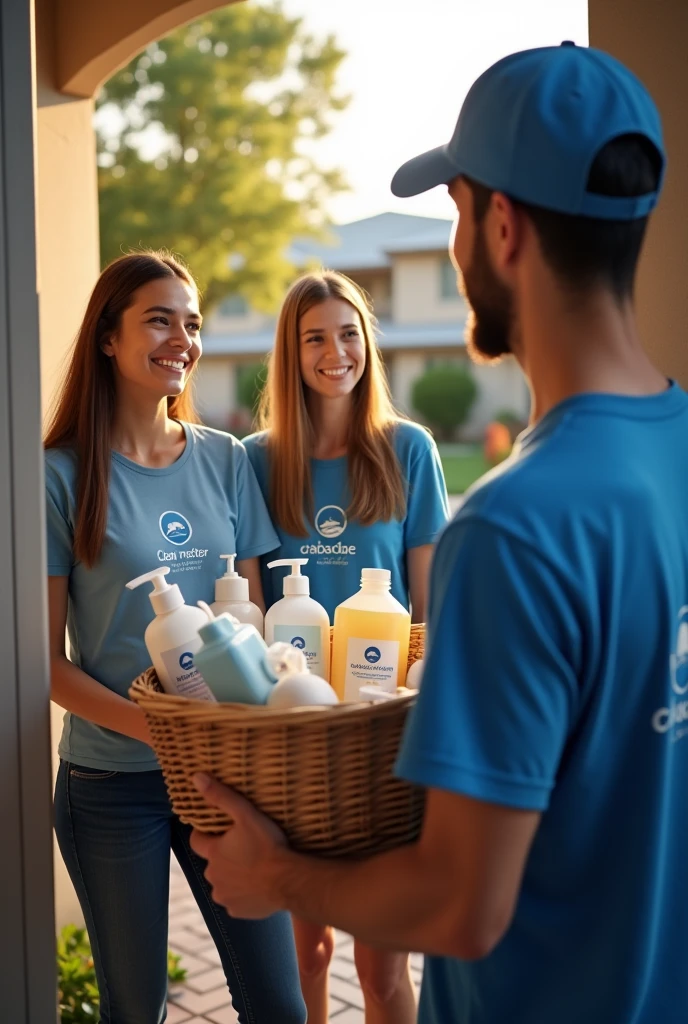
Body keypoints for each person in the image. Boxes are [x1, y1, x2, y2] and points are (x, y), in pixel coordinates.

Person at [190, 42, 688, 1024]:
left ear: (499, 227)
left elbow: (460, 905)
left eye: (455, 211)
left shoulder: (513, 527)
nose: (455, 244)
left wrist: (283, 877)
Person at [45, 251, 306, 1024]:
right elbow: (42, 663)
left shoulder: (226, 460)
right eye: (159, 319)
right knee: (137, 1008)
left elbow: (254, 627)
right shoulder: (61, 476)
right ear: (108, 337)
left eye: (191, 323)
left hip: (223, 781)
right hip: (110, 784)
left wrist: (215, 739)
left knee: (278, 1005)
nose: (181, 338)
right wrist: (164, 729)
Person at [242, 269, 449, 1024]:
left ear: (368, 341)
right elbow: (249, 606)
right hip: (292, 740)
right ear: (291, 354)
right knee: (306, 954)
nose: (336, 352)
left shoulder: (408, 450)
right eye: (315, 338)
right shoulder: (256, 461)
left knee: (382, 962)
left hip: (379, 739)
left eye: (349, 333)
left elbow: (428, 608)